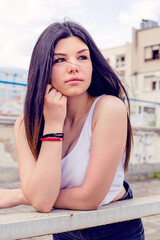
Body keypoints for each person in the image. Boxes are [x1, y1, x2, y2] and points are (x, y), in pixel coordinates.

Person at [0, 20, 144, 239]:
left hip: (114, 227)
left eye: (82, 57)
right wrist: (54, 124)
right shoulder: (26, 124)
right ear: (43, 68)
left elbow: (88, 199)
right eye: (60, 59)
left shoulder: (109, 108)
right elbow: (41, 201)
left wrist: (23, 195)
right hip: (63, 227)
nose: (74, 66)